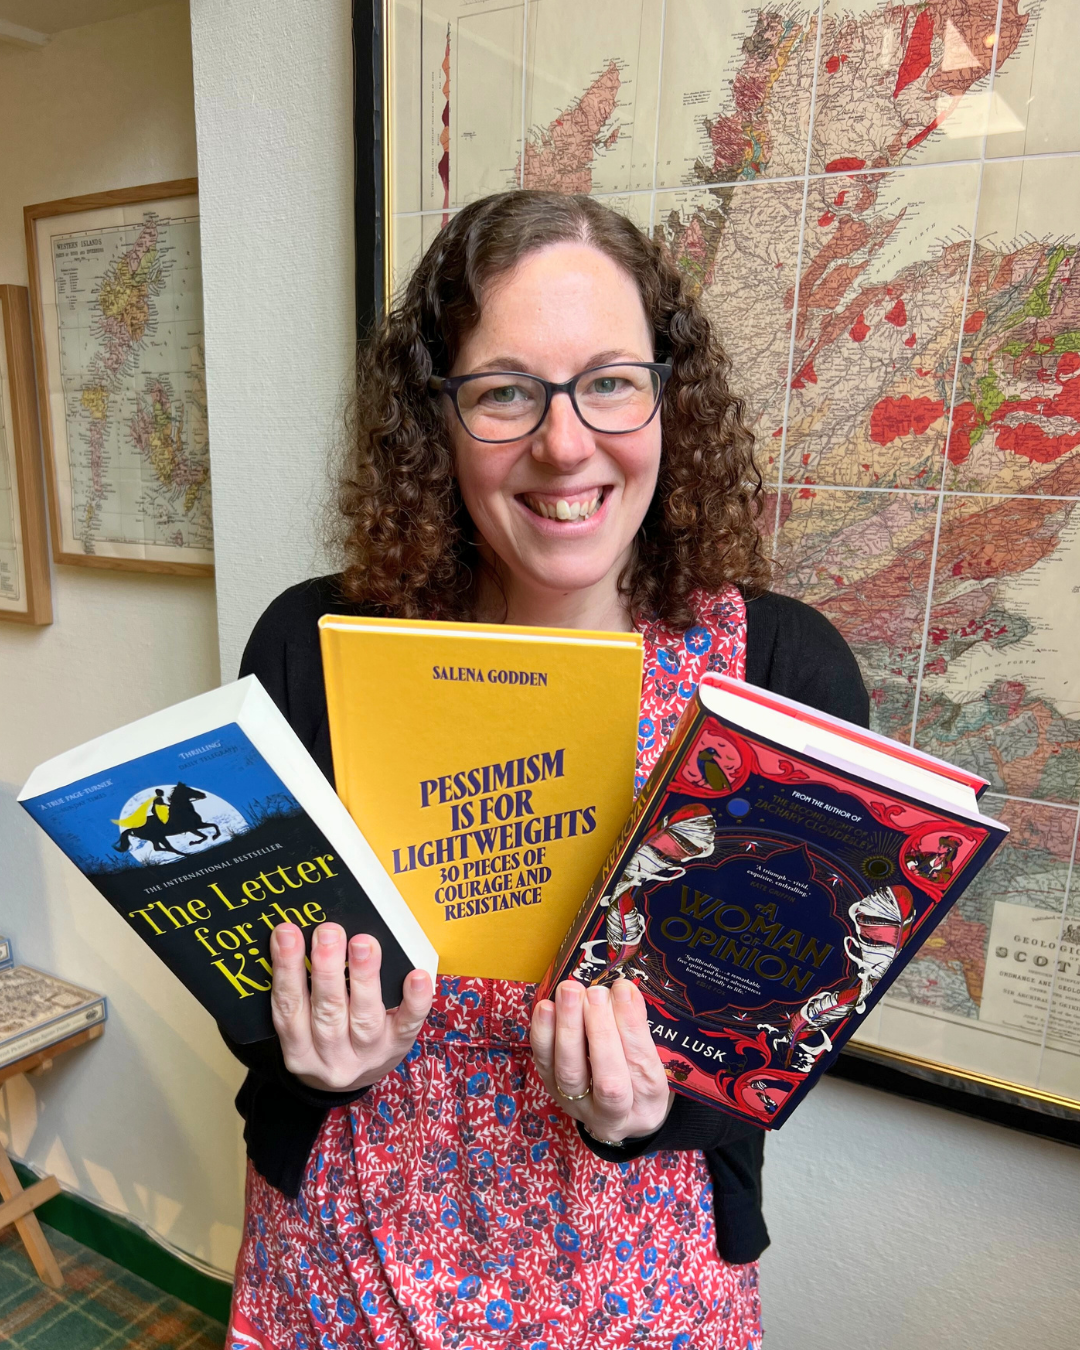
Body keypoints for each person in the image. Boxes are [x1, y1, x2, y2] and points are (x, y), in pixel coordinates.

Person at [224, 190, 869, 1350]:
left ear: (670, 394)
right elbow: (252, 966)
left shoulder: (783, 669)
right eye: (506, 391)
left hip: (640, 1278)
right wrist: (310, 1056)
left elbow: (780, 1030)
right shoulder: (306, 644)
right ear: (436, 418)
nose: (565, 443)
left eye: (610, 381)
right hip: (342, 1263)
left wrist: (654, 1107)